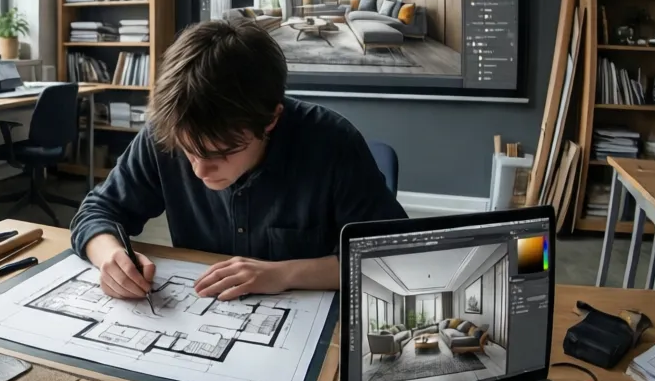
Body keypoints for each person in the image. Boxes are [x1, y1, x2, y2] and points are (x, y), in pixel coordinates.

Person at [70, 18, 406, 302]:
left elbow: (395, 255)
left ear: (270, 121)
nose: (199, 169)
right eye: (188, 151)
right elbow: (97, 211)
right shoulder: (169, 128)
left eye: (219, 154)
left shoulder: (333, 143)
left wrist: (284, 274)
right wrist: (109, 257)